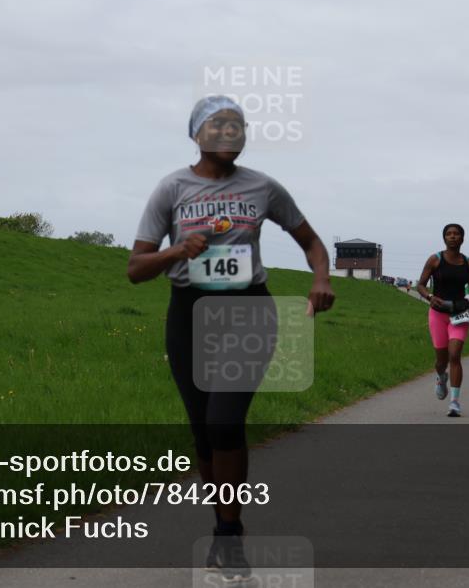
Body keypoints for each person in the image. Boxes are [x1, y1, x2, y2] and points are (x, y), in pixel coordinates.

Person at [128, 95, 335, 582]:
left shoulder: (263, 186)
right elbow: (136, 268)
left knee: (225, 421)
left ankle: (229, 533)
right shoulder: (171, 188)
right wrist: (178, 250)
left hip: (248, 310)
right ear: (197, 134)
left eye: (238, 125)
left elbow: (311, 241)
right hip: (189, 313)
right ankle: (224, 527)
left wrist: (321, 277)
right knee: (202, 428)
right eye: (218, 125)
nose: (230, 133)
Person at [417, 224, 469, 417]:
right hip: (438, 313)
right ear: (444, 238)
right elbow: (420, 285)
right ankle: (441, 377)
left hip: (459, 314)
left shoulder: (468, 263)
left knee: (455, 355)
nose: (453, 237)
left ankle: (454, 402)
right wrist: (429, 297)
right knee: (441, 360)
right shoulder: (435, 259)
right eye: (449, 234)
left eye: (456, 234)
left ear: (462, 239)